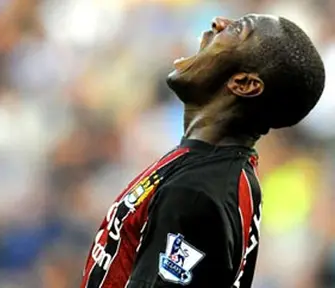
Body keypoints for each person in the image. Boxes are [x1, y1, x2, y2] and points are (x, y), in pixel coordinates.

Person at [80, 14, 325, 288]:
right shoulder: (225, 172)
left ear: (243, 84)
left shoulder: (196, 192)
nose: (219, 22)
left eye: (238, 29)